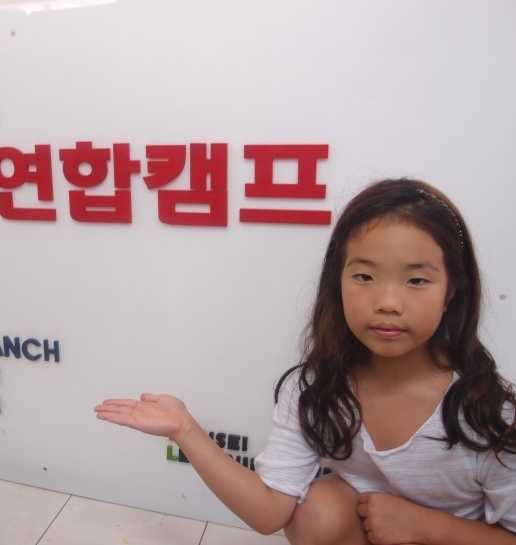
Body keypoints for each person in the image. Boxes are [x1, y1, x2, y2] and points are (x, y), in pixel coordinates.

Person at [94, 178, 516, 545]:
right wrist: (186, 430)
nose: (388, 302)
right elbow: (269, 513)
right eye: (364, 276)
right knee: (317, 511)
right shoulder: (316, 388)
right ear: (338, 281)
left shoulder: (488, 411)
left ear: (452, 291)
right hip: (373, 526)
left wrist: (425, 526)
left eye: (417, 280)